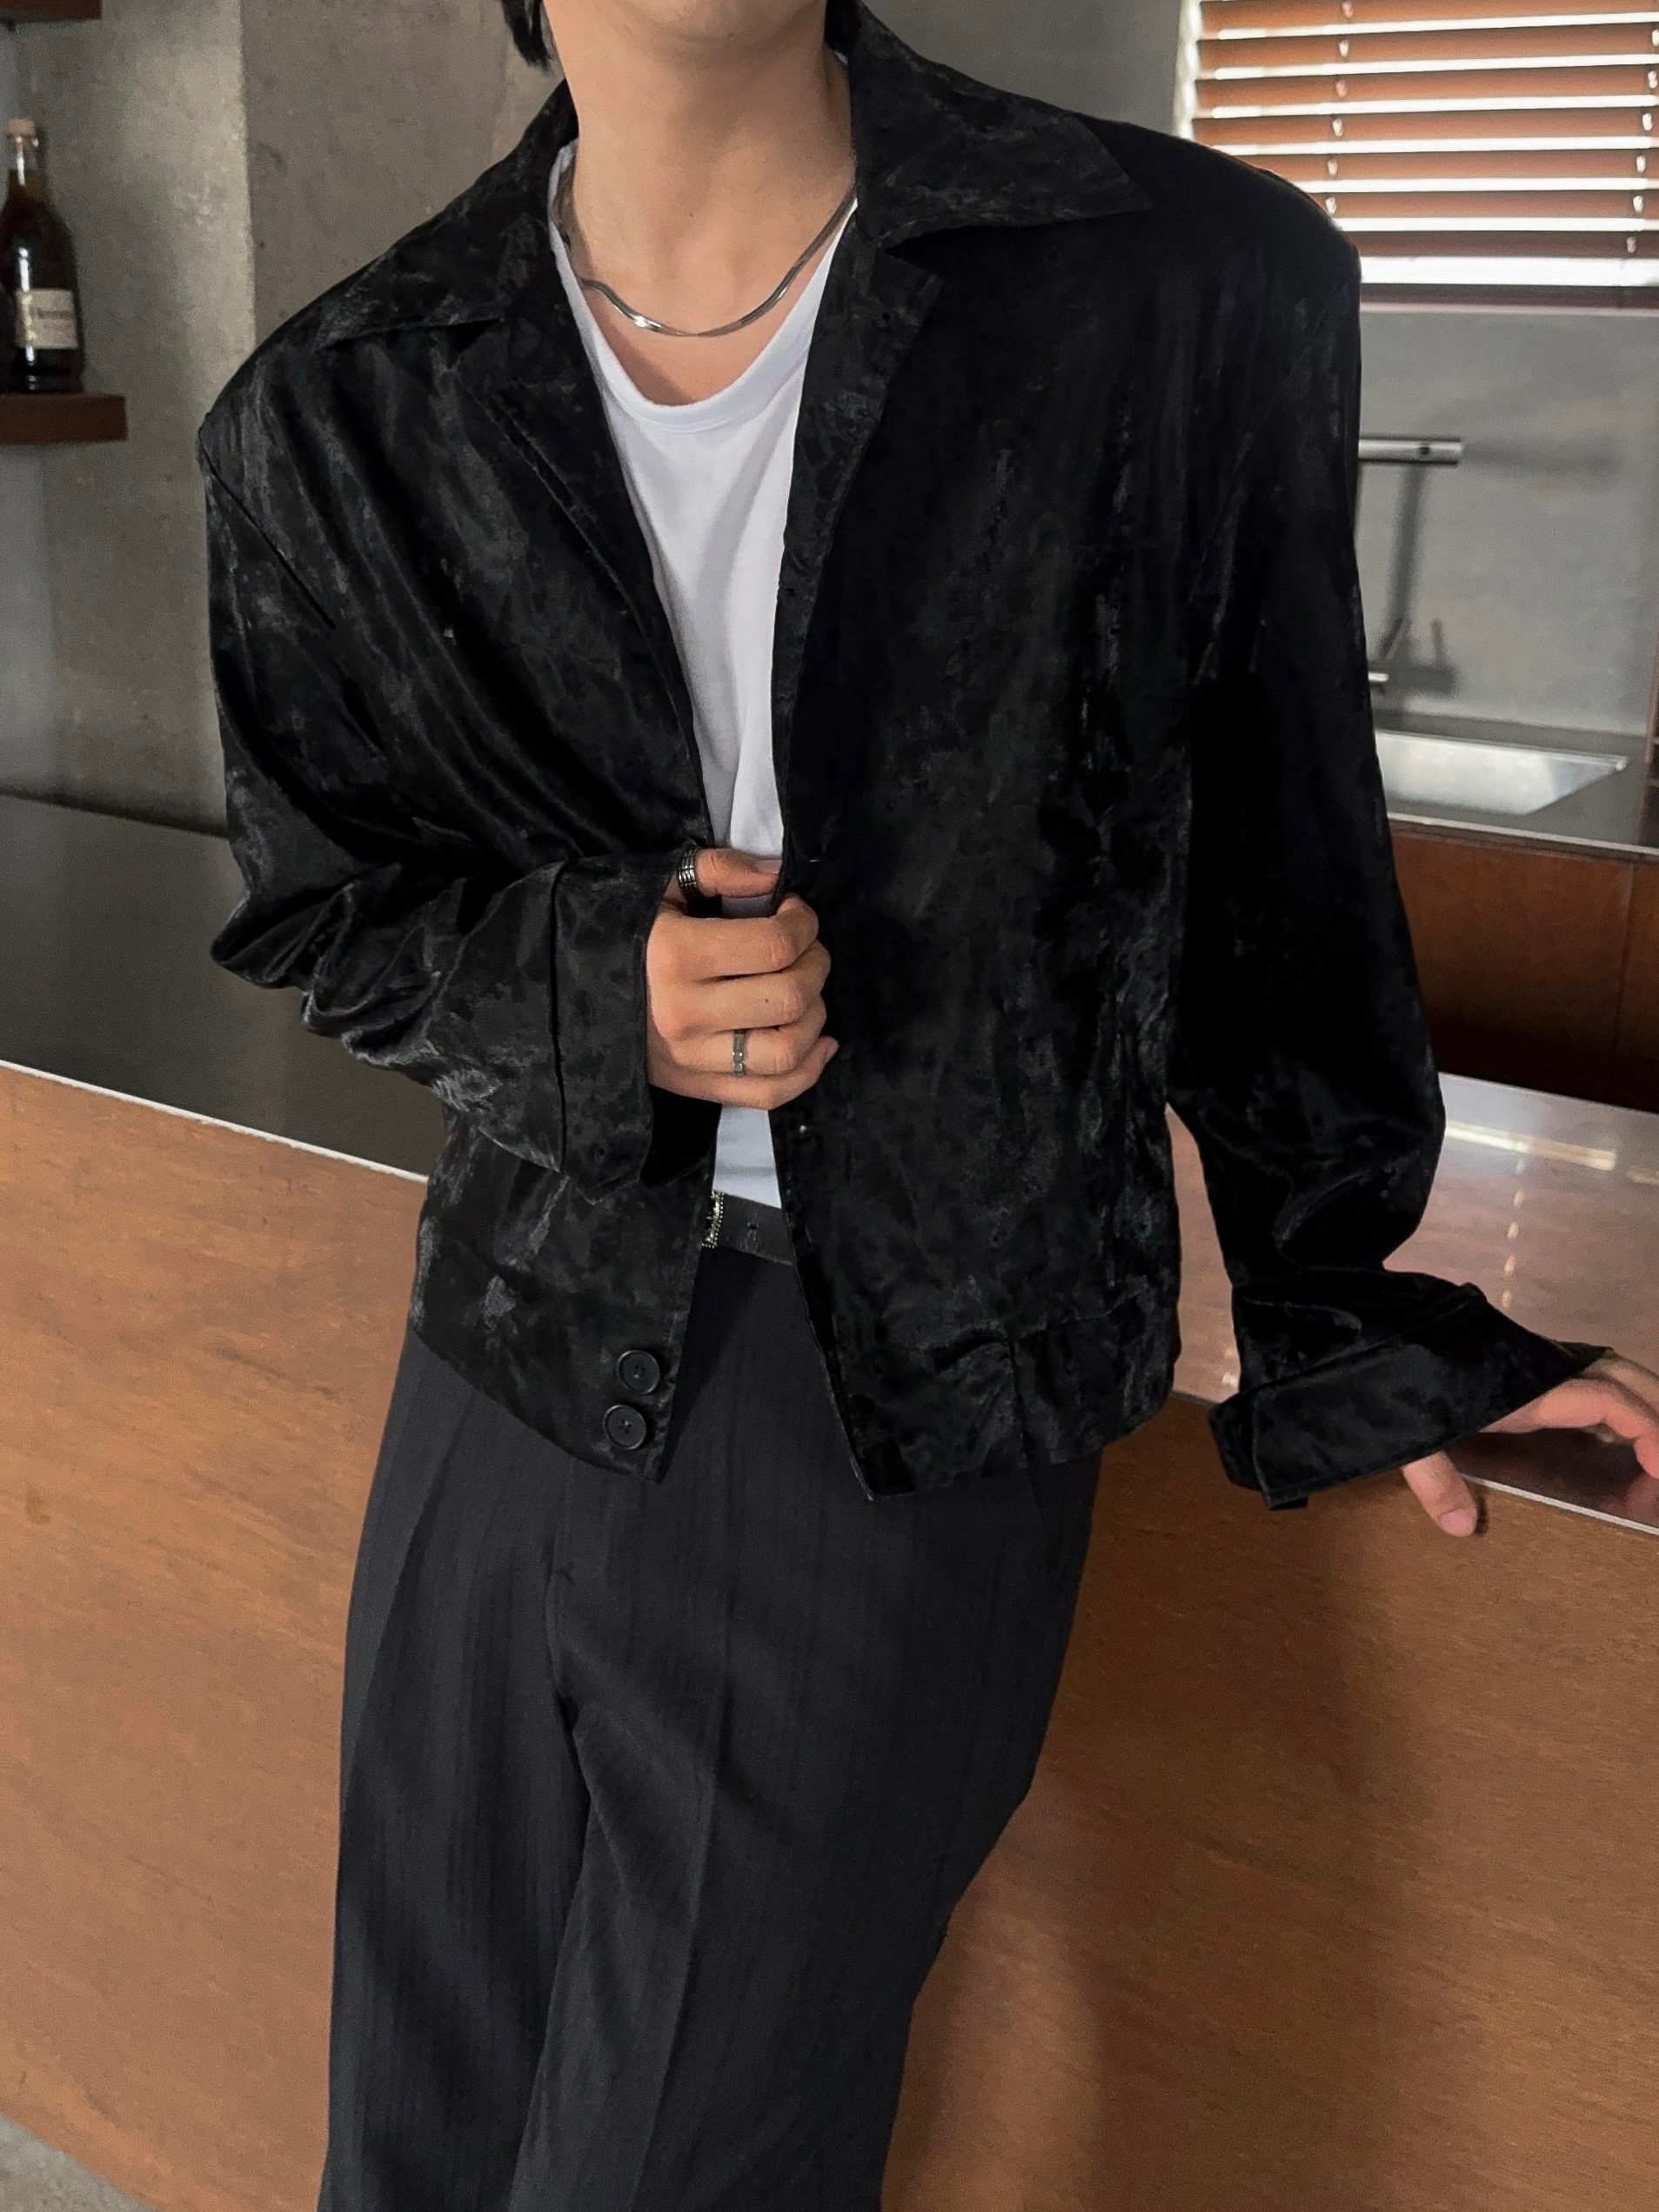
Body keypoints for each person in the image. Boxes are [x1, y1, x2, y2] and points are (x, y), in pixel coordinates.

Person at [196, 2, 1659, 2204]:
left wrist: (1343, 1316)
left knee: (678, 2172)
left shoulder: (1171, 283)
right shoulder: (347, 394)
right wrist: (601, 993)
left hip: (897, 1389)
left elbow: (1280, 861)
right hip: (496, 1360)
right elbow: (325, 905)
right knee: (409, 2141)